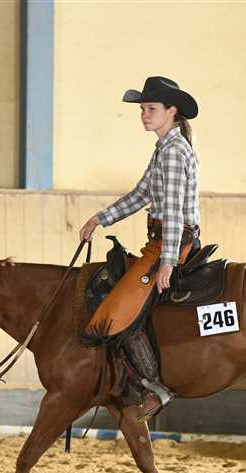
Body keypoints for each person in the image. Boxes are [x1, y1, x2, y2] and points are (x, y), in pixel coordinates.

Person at [79, 76, 201, 422]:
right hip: (161, 241)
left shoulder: (174, 151)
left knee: (118, 311)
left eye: (150, 109)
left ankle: (157, 387)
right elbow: (141, 194)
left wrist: (168, 261)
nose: (144, 115)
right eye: (143, 109)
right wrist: (101, 219)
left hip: (171, 242)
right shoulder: (164, 148)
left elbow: (174, 211)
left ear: (171, 111)